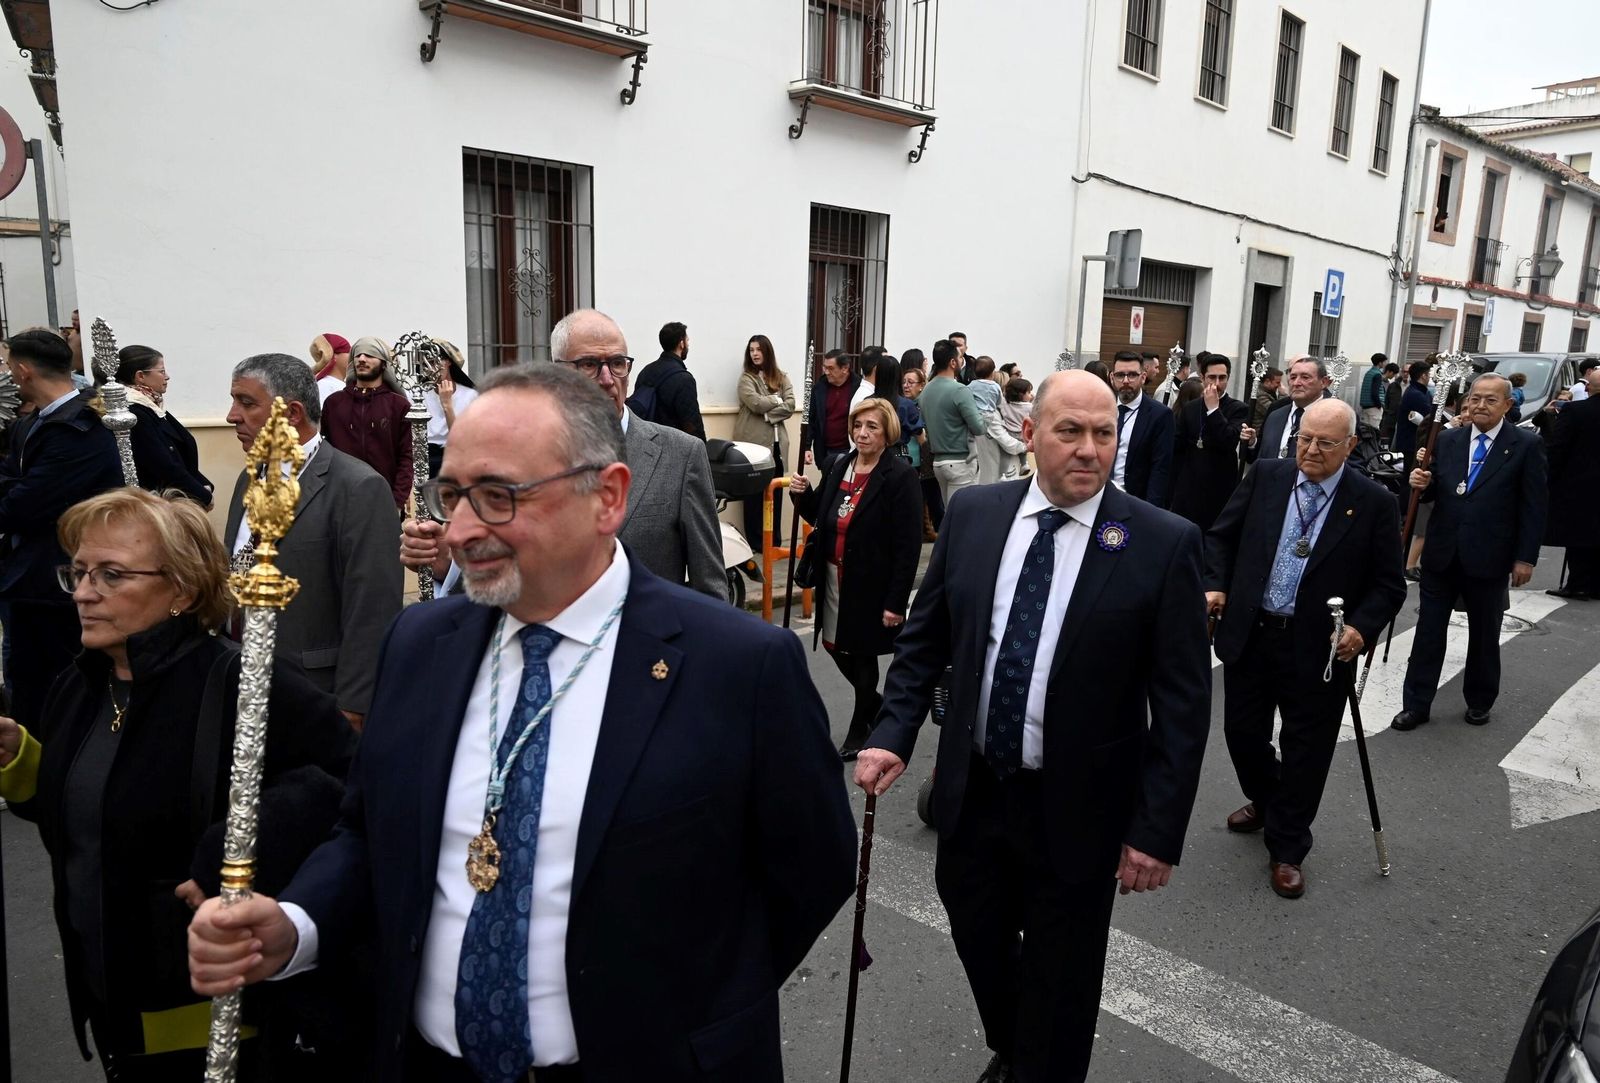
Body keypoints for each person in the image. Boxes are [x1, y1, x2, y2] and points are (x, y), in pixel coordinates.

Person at [187, 362, 858, 1081]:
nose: (460, 530)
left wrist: (700, 1011)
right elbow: (369, 831)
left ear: (607, 497)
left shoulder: (737, 665)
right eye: (452, 495)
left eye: (498, 497)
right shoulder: (419, 645)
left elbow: (812, 869)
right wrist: (298, 925)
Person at [852, 370, 1211, 1083]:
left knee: (1064, 973)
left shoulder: (1161, 542)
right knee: (977, 932)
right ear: (1029, 432)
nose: (1089, 449)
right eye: (1070, 431)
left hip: (1079, 805)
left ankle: (1042, 1064)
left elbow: (1182, 702)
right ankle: (1019, 1044)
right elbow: (926, 639)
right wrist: (892, 732)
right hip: (977, 787)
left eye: (1103, 433)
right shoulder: (975, 513)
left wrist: (1155, 827)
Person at [0, 488, 354, 1081]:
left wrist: (232, 851)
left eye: (111, 575)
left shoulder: (242, 683)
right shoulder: (81, 685)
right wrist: (24, 762)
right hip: (106, 998)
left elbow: (347, 785)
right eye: (79, 572)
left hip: (214, 1017)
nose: (84, 592)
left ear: (183, 590)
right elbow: (92, 821)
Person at [1204, 399, 1406, 899]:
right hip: (1253, 632)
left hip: (1319, 646)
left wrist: (1360, 627)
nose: (1311, 450)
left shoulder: (1373, 502)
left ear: (1351, 445)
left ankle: (1288, 845)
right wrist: (1216, 585)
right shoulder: (1266, 477)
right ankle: (1269, 799)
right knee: (1242, 735)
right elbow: (1221, 538)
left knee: (1307, 750)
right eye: (1304, 439)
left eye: (1325, 443)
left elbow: (1389, 585)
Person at [403, 309, 727, 601]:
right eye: (589, 365)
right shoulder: (518, 458)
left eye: (617, 363)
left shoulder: (681, 456)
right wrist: (447, 566)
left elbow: (711, 590)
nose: (607, 380)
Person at [224, 353, 403, 727]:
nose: (231, 416)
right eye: (234, 401)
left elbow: (372, 609)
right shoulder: (249, 478)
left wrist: (354, 707)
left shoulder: (357, 487)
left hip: (314, 694)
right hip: (241, 686)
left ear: (292, 414)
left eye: (247, 402)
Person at [1394, 373, 1548, 730]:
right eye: (1475, 398)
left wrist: (1525, 557)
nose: (1480, 405)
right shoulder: (1448, 439)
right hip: (1442, 554)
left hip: (1490, 556)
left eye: (1490, 400)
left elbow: (1534, 506)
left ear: (1507, 405)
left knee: (1484, 634)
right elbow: (1433, 489)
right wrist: (1421, 483)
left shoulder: (1525, 445)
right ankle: (1416, 704)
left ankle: (1479, 700)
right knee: (1428, 633)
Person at [0, 328, 123, 731]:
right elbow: (11, 480)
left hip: (62, 582)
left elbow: (22, 505)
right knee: (26, 685)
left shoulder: (82, 428)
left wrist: (16, 493)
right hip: (29, 579)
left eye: (8, 368)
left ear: (22, 371)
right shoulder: (32, 423)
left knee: (60, 691)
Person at [791, 397, 922, 760]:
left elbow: (908, 545)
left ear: (887, 433)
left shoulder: (900, 477)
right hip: (834, 578)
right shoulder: (839, 465)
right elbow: (820, 514)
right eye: (857, 426)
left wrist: (896, 602)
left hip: (871, 583)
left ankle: (860, 725)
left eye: (871, 427)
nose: (862, 434)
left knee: (861, 653)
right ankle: (876, 705)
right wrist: (801, 495)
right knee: (834, 645)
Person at [320, 336, 414, 510]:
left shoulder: (399, 406)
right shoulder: (334, 403)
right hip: (339, 499)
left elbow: (407, 457)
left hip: (384, 500)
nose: (362, 359)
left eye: (370, 355)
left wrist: (396, 502)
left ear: (384, 364)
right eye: (357, 355)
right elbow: (323, 450)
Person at [115, 345, 213, 506]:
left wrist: (203, 485)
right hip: (160, 504)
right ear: (140, 376)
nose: (167, 377)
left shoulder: (151, 405)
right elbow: (163, 465)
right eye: (161, 371)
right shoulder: (135, 413)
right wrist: (203, 495)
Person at [1170, 355, 1250, 530]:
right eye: (1212, 377)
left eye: (1222, 378)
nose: (1217, 383)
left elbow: (1229, 440)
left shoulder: (1238, 408)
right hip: (1189, 488)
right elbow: (1178, 447)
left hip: (1219, 488)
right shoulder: (1190, 408)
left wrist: (1213, 409)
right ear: (1202, 377)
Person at [732, 333, 796, 548]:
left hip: (777, 446)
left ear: (767, 351)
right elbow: (755, 403)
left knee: (775, 492)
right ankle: (756, 541)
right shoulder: (746, 379)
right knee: (753, 495)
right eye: (751, 350)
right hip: (754, 446)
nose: (755, 354)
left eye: (759, 349)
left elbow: (791, 405)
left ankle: (773, 541)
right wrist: (776, 399)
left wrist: (769, 415)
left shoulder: (781, 377)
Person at [1542, 359, 1600, 599]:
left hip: (1578, 484)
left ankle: (1578, 584)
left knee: (1579, 536)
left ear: (1588, 388)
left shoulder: (1576, 411)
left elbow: (1558, 448)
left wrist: (1548, 477)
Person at [921, 338, 985, 504]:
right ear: (952, 362)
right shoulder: (959, 390)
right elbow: (979, 428)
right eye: (960, 357)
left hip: (938, 462)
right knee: (963, 513)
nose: (962, 361)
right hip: (961, 461)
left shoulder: (926, 390)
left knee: (950, 512)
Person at [1109, 351, 1174, 508]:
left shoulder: (1160, 415)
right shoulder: (1102, 408)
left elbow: (1160, 468)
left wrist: (1151, 511)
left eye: (1132, 375)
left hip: (1137, 502)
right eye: (1120, 375)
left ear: (1143, 377)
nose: (1125, 381)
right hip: (1101, 499)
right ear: (1112, 377)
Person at [1243, 357, 1332, 464]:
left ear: (1323, 382)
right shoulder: (1275, 416)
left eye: (1305, 377)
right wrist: (1252, 443)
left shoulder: (1335, 417)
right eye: (1293, 377)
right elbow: (1262, 456)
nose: (1296, 383)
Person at [629, 321, 705, 440]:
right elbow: (692, 423)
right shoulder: (684, 379)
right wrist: (702, 447)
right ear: (681, 344)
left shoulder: (646, 371)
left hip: (645, 441)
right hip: (673, 444)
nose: (688, 344)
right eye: (687, 340)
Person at [424, 340, 479, 480]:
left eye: (435, 362)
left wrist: (447, 404)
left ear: (448, 362)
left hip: (456, 457)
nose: (431, 368)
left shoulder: (470, 396)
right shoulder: (417, 395)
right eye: (426, 364)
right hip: (424, 459)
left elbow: (460, 439)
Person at [902, 365, 945, 537]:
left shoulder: (927, 405)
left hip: (927, 462)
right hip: (909, 460)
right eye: (904, 382)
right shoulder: (901, 405)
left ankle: (941, 536)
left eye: (910, 382)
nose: (906, 386)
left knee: (934, 502)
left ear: (921, 385)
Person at [806, 348, 861, 473]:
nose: (826, 372)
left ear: (845, 368)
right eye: (824, 367)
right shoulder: (819, 388)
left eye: (830, 368)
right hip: (825, 452)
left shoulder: (859, 387)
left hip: (851, 450)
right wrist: (806, 447)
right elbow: (810, 419)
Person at [973, 357, 1025, 485]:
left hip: (998, 472)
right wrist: (1025, 446)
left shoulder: (996, 411)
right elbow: (1004, 440)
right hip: (996, 475)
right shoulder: (991, 414)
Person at [869, 353, 922, 460]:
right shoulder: (906, 405)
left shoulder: (868, 402)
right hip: (897, 457)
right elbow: (919, 433)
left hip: (871, 454)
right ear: (899, 376)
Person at [1392, 360, 1435, 475]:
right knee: (1411, 475)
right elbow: (1430, 416)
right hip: (1412, 442)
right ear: (1423, 376)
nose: (1430, 377)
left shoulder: (1420, 391)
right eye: (1429, 374)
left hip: (1414, 441)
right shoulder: (1416, 394)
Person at [997, 377, 1033, 479]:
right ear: (1021, 395)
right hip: (1022, 434)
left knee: (1006, 454)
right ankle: (1024, 464)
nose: (1030, 395)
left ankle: (1003, 474)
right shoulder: (1029, 407)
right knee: (1023, 449)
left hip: (1009, 433)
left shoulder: (1006, 404)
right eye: (1029, 392)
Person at [310, 333, 352, 404]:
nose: (352, 356)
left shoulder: (338, 384)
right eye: (348, 351)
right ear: (334, 355)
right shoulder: (324, 386)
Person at [1359, 353, 1388, 430]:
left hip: (1365, 406)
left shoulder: (1369, 372)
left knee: (1365, 431)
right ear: (1380, 363)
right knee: (1374, 431)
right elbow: (1375, 392)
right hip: (1374, 407)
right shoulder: (1377, 374)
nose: (1385, 364)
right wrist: (1379, 405)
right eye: (1384, 362)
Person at [1378, 361, 1405, 442]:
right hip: (1384, 413)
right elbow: (1384, 399)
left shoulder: (1389, 383)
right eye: (1394, 374)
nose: (1394, 376)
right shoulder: (1383, 382)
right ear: (1390, 372)